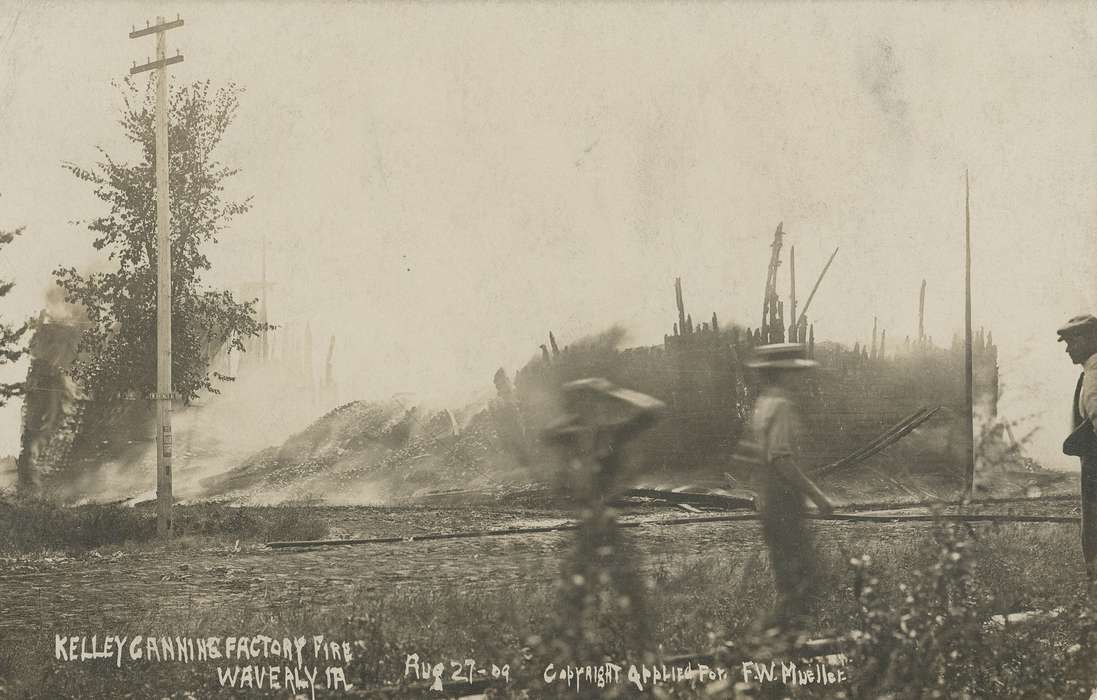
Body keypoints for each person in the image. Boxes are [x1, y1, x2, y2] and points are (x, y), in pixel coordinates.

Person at [746, 343, 835, 627]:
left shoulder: (763, 402)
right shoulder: (782, 405)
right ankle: (790, 646)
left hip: (770, 498)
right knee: (802, 582)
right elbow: (781, 460)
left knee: (788, 578)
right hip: (784, 498)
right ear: (781, 374)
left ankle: (784, 645)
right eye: (794, 372)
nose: (799, 378)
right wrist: (819, 496)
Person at [1058, 314, 1097, 579]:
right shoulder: (1089, 373)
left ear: (1089, 339)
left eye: (1072, 341)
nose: (1067, 348)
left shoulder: (1094, 375)